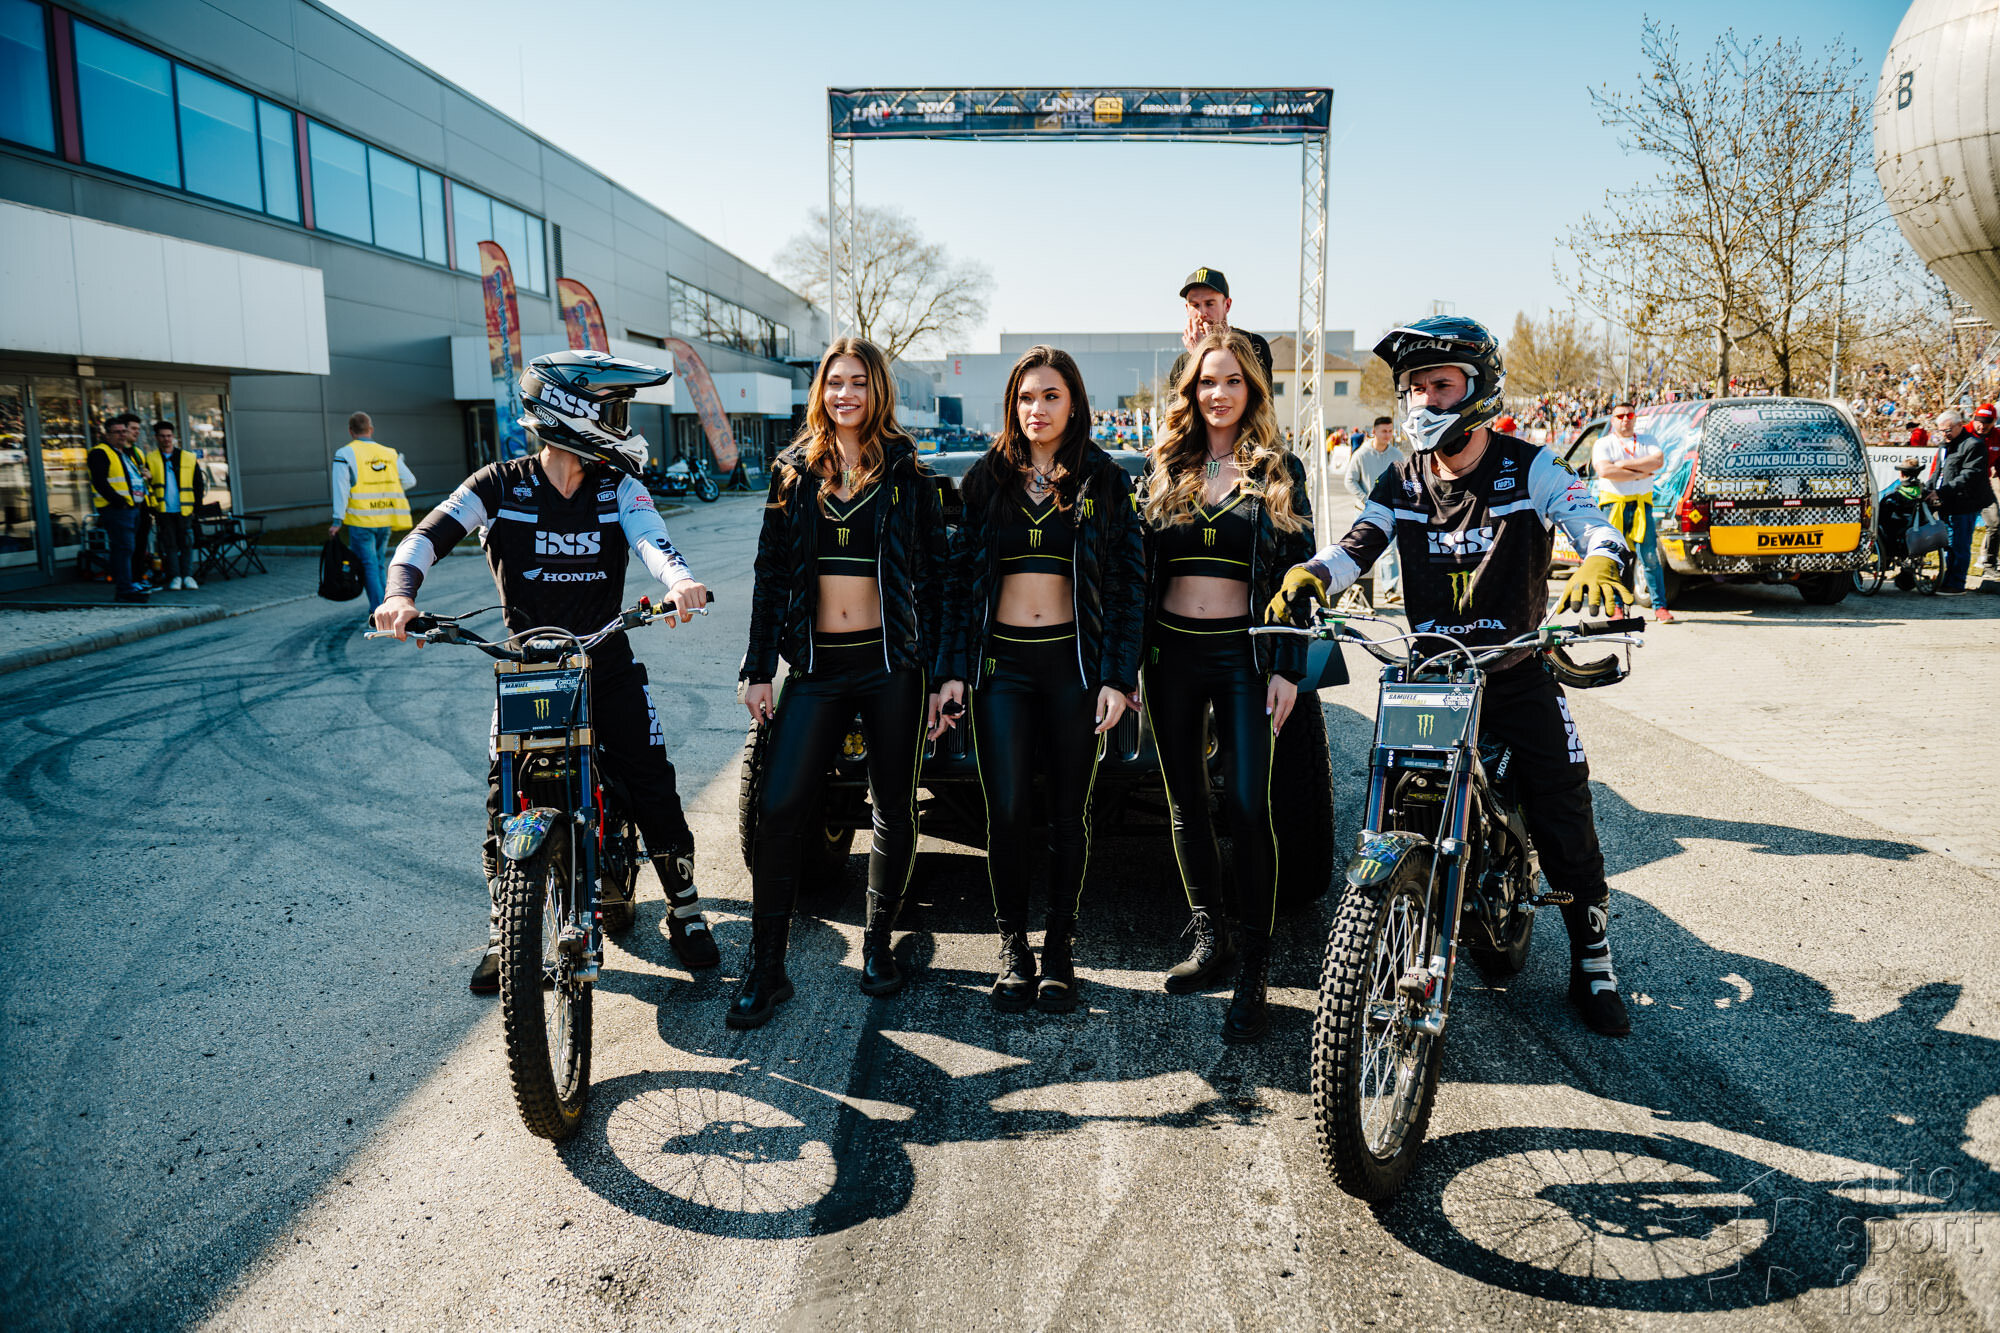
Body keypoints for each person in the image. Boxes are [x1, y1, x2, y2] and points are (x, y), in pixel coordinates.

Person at [1267, 315, 1638, 1038]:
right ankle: (1393, 924)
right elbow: (1358, 544)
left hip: (1516, 672)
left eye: (1440, 385)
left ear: (1478, 388)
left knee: (1563, 804)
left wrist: (1600, 560)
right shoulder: (1403, 478)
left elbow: (1590, 519)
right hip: (1432, 677)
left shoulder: (1529, 466)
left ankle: (1593, 956)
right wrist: (1313, 574)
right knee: (1397, 800)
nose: (1424, 401)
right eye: (1413, 388)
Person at [372, 350, 717, 993]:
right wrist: (399, 596)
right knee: (502, 798)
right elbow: (424, 538)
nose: (623, 425)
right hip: (528, 668)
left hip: (604, 659)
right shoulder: (497, 484)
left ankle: (685, 908)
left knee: (650, 775)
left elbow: (654, 542)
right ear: (571, 412)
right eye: (613, 411)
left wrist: (681, 584)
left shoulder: (619, 486)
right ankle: (506, 929)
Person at [734, 337, 948, 1029]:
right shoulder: (793, 471)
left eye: (858, 381)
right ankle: (767, 968)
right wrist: (758, 668)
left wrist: (942, 673)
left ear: (877, 389)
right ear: (820, 391)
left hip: (891, 667)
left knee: (893, 805)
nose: (845, 394)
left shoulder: (907, 470)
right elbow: (770, 574)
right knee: (779, 807)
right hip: (818, 667)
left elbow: (936, 576)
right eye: (834, 382)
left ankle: (878, 946)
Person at [933, 346, 1144, 1014]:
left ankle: (1058, 948)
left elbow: (1127, 583)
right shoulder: (986, 478)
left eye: (1051, 396)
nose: (1037, 409)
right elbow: (960, 583)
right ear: (1012, 405)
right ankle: (1012, 948)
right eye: (1026, 397)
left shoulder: (1103, 480)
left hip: (1072, 669)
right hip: (1003, 670)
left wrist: (1117, 676)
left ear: (1074, 403)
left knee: (1067, 813)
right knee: (1007, 812)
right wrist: (951, 671)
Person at [1141, 328, 1314, 1043]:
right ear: (1191, 390)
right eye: (1207, 381)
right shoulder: (1165, 463)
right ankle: (1210, 937)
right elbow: (1135, 568)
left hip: (1244, 657)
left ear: (1253, 390)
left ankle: (1256, 965)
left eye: (1233, 381)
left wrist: (1289, 668)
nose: (1219, 393)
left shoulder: (1279, 469)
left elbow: (1301, 576)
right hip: (1171, 654)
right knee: (1185, 803)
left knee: (1247, 807)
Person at [1593, 401, 1674, 623]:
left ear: (1635, 418)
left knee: (1650, 557)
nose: (1625, 420)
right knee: (1614, 558)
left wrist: (1622, 466)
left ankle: (1660, 607)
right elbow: (1604, 470)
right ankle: (1616, 607)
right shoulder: (1603, 443)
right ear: (1613, 420)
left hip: (1641, 505)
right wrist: (1640, 473)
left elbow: (1658, 461)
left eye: (1629, 415)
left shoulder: (1648, 440)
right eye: (1620, 416)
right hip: (1613, 506)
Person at [330, 411, 415, 612]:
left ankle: (380, 613)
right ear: (371, 429)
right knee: (378, 565)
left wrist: (337, 520)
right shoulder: (389, 453)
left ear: (351, 431)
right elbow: (410, 480)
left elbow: (341, 489)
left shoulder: (345, 454)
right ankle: (389, 608)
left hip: (361, 521)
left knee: (369, 566)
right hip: (385, 519)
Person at [1168, 268, 1274, 387]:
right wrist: (1197, 355)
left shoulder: (1252, 345)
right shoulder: (1182, 363)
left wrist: (1204, 353)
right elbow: (1183, 399)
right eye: (1195, 305)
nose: (1202, 313)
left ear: (1227, 305)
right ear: (1187, 309)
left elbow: (1260, 395)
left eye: (1209, 304)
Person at [87, 412, 152, 603]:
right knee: (124, 548)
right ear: (107, 434)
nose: (122, 435)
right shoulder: (100, 452)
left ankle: (130, 584)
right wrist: (119, 502)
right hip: (117, 510)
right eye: (117, 432)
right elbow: (100, 482)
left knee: (129, 549)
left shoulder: (123, 453)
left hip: (132, 508)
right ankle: (125, 589)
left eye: (124, 431)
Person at [1344, 415, 1408, 606]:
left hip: (1389, 511)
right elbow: (1350, 480)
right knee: (1362, 549)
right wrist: (1366, 499)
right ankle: (1358, 588)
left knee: (1389, 551)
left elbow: (1403, 480)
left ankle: (1390, 589)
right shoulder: (1361, 455)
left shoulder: (1397, 455)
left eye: (1390, 431)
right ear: (1374, 432)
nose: (1387, 435)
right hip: (1364, 511)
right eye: (1383, 431)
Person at [1931, 404, 1992, 594]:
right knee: (1948, 544)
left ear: (1960, 425)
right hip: (1946, 503)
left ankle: (1956, 583)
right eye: (1941, 431)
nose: (1945, 434)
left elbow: (1969, 475)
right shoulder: (1945, 445)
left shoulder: (1973, 445)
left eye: (1948, 430)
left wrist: (1942, 492)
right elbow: (1938, 472)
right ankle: (1947, 578)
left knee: (1960, 544)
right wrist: (1928, 489)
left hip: (1964, 504)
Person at [146, 419, 206, 590]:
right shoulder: (150, 458)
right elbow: (148, 486)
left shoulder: (188, 457)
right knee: (170, 544)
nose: (166, 439)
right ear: (156, 438)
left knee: (186, 543)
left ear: (173, 437)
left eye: (169, 436)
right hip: (163, 510)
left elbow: (198, 484)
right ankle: (175, 577)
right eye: (162, 436)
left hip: (185, 509)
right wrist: (152, 508)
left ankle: (188, 576)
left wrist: (197, 507)